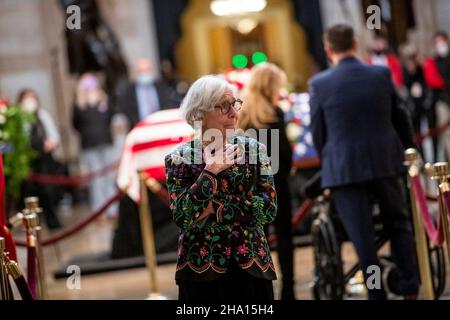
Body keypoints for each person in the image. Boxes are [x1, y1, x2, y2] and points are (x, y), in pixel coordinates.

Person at [309, 24, 419, 300]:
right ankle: (409, 286)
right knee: (399, 224)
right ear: (355, 44)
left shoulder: (320, 84)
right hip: (384, 161)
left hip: (344, 169)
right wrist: (410, 150)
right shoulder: (380, 74)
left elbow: (318, 133)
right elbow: (401, 117)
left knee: (363, 239)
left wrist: (328, 163)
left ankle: (375, 292)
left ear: (327, 48)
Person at [165, 75, 278, 301]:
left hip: (252, 266)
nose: (234, 113)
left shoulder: (255, 151)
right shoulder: (179, 158)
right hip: (200, 270)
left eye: (234, 104)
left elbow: (267, 209)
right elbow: (183, 216)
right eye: (223, 106)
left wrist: (213, 210)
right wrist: (210, 172)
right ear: (200, 114)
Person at [238, 63, 295, 300]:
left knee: (255, 240)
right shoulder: (275, 113)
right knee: (284, 239)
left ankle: (258, 291)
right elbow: (283, 154)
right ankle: (288, 291)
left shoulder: (241, 114)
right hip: (276, 183)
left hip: (248, 187)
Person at [72, 73, 117, 217]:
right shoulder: (78, 106)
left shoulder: (104, 102)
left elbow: (110, 118)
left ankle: (113, 210)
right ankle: (100, 211)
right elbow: (75, 124)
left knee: (109, 177)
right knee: (96, 180)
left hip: (106, 142)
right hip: (89, 146)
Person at [17, 89, 62, 229]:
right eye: (27, 98)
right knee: (29, 193)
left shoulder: (42, 115)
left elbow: (54, 135)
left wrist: (51, 142)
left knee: (48, 191)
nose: (30, 101)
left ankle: (52, 220)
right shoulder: (19, 118)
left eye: (32, 98)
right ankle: (31, 225)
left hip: (44, 159)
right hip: (28, 160)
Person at [115, 58, 181, 129]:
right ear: (135, 72)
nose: (145, 74)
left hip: (161, 126)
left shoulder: (161, 87)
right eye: (141, 71)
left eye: (147, 70)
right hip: (138, 128)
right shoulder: (128, 91)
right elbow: (126, 112)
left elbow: (169, 105)